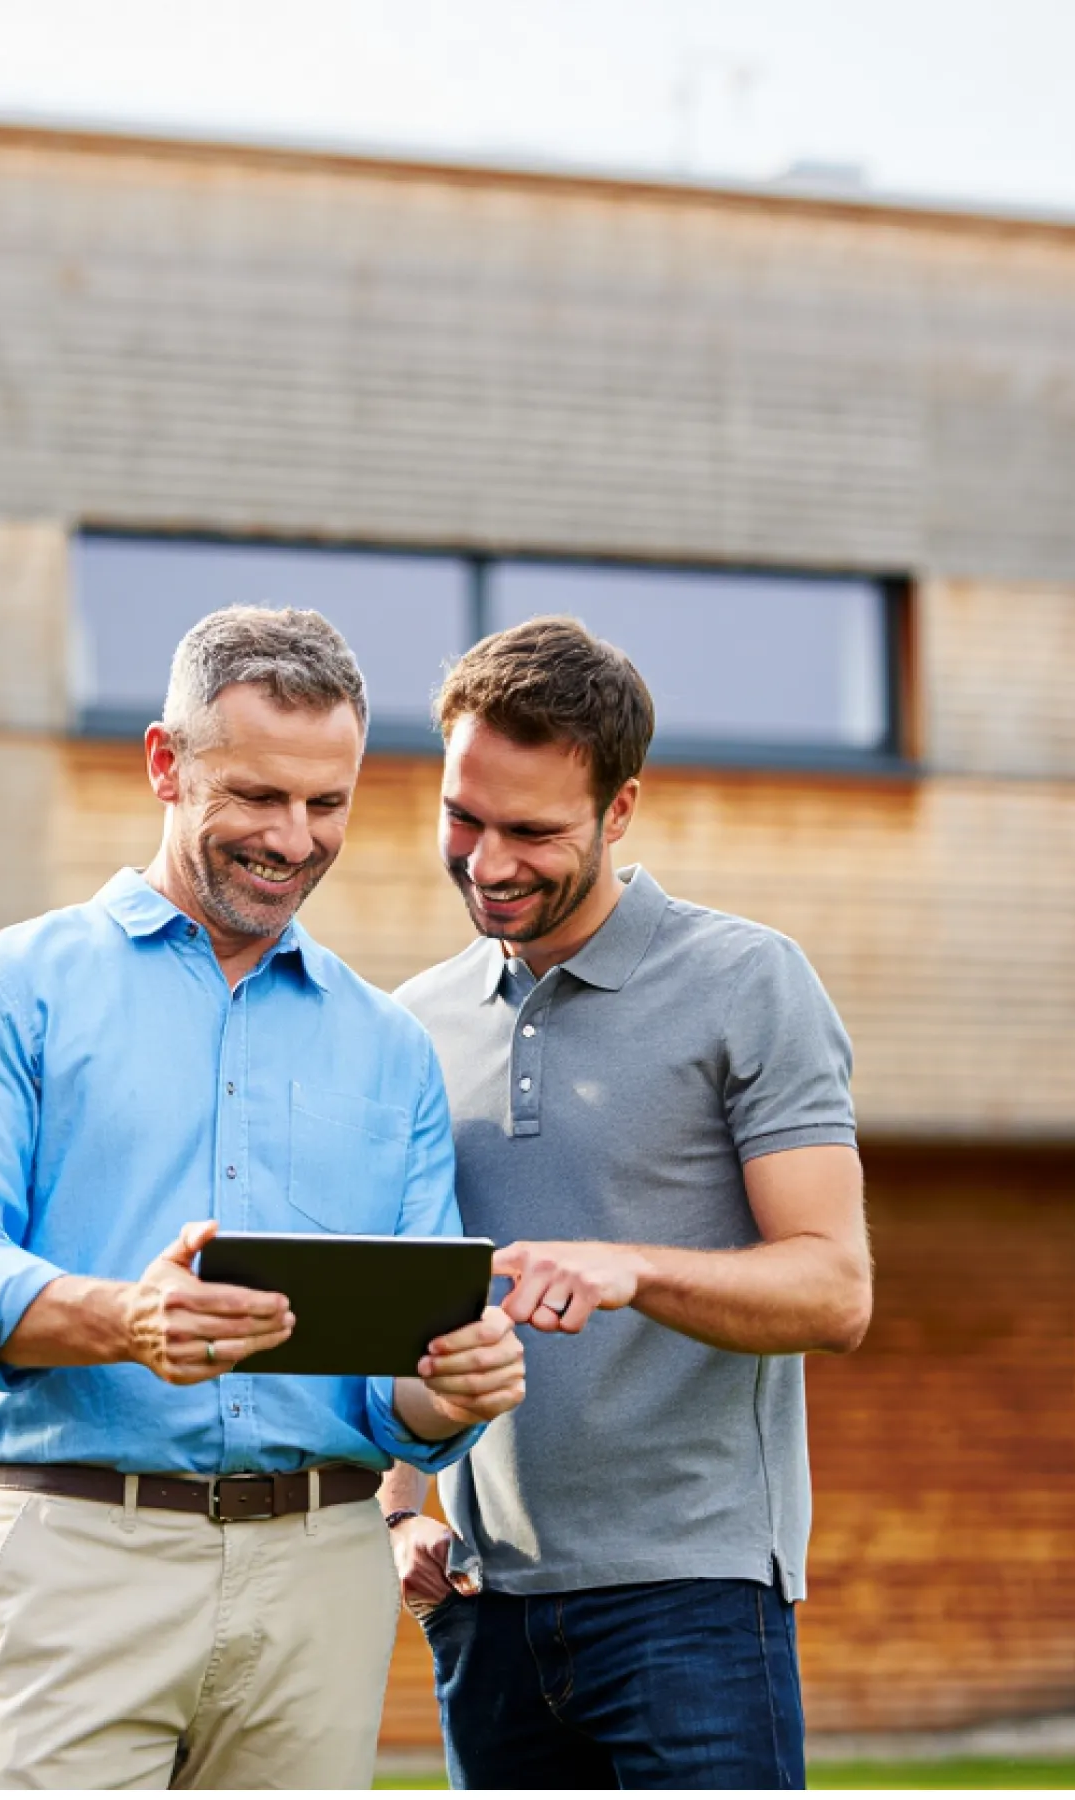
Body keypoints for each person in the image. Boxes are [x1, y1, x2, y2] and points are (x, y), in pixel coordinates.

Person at [0, 606, 525, 1791]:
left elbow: (401, 1388)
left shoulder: (389, 1051)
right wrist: (120, 1321)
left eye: (326, 805)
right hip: (85, 1553)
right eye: (256, 798)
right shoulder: (12, 990)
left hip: (322, 1579)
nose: (294, 839)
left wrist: (454, 1395)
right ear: (162, 766)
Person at [379, 615, 871, 1791]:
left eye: (533, 831)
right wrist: (401, 1509)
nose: (488, 863)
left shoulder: (747, 982)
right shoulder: (411, 1022)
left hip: (691, 1602)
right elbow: (408, 1290)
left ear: (620, 810)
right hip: (485, 1606)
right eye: (464, 819)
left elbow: (834, 1287)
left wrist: (632, 1268)